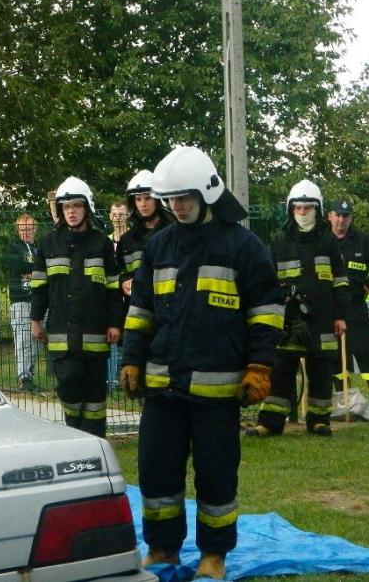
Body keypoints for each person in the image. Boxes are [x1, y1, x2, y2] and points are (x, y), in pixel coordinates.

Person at [120, 147, 282, 580]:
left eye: (184, 198)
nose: (176, 206)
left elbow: (266, 313)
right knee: (157, 474)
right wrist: (132, 359)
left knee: (216, 476)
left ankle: (214, 555)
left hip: (217, 392)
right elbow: (140, 311)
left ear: (207, 193)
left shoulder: (243, 247)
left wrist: (259, 366)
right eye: (170, 199)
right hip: (163, 389)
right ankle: (162, 548)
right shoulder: (159, 246)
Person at [248, 180, 349, 438]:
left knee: (321, 371)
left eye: (307, 208)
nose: (302, 213)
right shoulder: (280, 241)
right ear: (291, 210)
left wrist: (340, 316)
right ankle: (270, 422)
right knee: (281, 370)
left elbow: (340, 281)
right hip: (288, 319)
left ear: (317, 209)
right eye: (298, 208)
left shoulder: (328, 241)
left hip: (323, 317)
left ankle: (319, 420)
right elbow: (268, 280)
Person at [30, 177, 123, 437]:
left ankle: (95, 442)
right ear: (61, 210)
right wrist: (35, 319)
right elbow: (39, 287)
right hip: (62, 336)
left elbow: (113, 288)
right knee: (70, 384)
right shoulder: (48, 243)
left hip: (95, 335)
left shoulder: (101, 243)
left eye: (77, 206)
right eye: (66, 206)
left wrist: (115, 323)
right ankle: (74, 434)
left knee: (95, 399)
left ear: (87, 208)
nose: (71, 211)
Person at [328, 198, 369, 401]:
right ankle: (342, 398)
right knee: (334, 356)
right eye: (338, 215)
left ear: (351, 218)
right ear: (330, 216)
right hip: (329, 306)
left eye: (345, 216)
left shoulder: (363, 241)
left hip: (354, 305)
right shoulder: (322, 240)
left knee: (366, 352)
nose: (341, 219)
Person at [113, 171, 171, 389]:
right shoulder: (127, 240)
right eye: (138, 199)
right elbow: (120, 271)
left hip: (170, 311)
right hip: (138, 312)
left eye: (147, 198)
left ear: (158, 200)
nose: (143, 204)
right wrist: (123, 281)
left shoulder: (174, 231)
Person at [5, 213, 40, 391]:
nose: (26, 231)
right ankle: (23, 377)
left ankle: (30, 375)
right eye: (22, 228)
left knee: (37, 339)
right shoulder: (13, 248)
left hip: (39, 300)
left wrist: (32, 272)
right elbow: (15, 266)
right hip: (21, 299)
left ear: (35, 229)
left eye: (29, 228)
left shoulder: (40, 248)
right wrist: (38, 272)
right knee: (23, 339)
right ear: (18, 230)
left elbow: (46, 266)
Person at [107, 199, 130, 388]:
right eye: (115, 214)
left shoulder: (133, 239)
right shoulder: (106, 241)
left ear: (127, 215)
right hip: (114, 293)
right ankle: (112, 379)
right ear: (110, 216)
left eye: (121, 214)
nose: (118, 217)